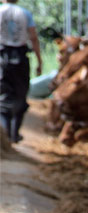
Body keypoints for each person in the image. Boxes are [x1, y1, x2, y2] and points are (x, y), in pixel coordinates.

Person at [0, 0, 42, 143]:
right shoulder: (25, 13)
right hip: (20, 58)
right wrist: (39, 61)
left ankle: (5, 136)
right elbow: (34, 38)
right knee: (20, 95)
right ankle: (14, 134)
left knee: (3, 96)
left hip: (2, 57)